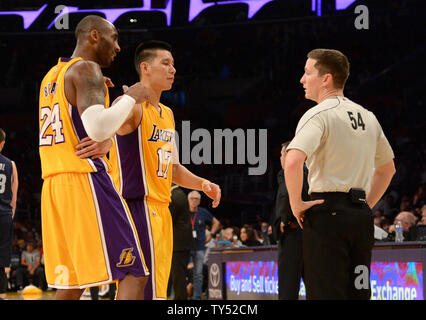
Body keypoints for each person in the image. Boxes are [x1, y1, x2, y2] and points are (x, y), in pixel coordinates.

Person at [39, 15, 152, 300]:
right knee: (133, 272)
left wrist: (101, 94)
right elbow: (98, 127)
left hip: (54, 185)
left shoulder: (52, 76)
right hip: (85, 181)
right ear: (93, 36)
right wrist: (132, 97)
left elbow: (87, 128)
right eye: (113, 38)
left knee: (72, 284)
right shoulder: (87, 69)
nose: (118, 47)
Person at [105, 41, 221, 300]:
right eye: (165, 63)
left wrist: (202, 183)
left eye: (173, 64)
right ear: (145, 67)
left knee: (150, 291)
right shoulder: (131, 105)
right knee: (143, 291)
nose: (173, 69)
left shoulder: (167, 114)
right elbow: (103, 128)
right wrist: (121, 103)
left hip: (160, 208)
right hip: (136, 206)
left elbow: (173, 168)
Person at [285, 49, 396, 300]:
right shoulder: (368, 117)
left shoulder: (318, 114)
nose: (302, 79)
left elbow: (292, 161)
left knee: (326, 293)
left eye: (307, 72)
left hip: (327, 215)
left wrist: (296, 204)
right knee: (358, 293)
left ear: (326, 79)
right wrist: (365, 205)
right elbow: (388, 169)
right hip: (361, 218)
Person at [272, 141, 308, 300]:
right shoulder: (311, 171)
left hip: (292, 233)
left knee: (288, 288)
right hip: (311, 234)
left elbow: (286, 194)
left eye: (282, 154)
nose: (280, 157)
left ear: (289, 155)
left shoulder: (287, 171)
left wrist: (284, 219)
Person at [187, 190, 220, 300]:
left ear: (199, 201)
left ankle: (196, 297)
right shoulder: (184, 212)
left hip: (199, 247)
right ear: (188, 200)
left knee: (199, 274)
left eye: (196, 199)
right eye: (192, 199)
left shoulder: (202, 212)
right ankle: (179, 295)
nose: (194, 201)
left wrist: (211, 234)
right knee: (180, 273)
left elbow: (216, 222)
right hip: (185, 247)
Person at [0, 128, 18, 299]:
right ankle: (2, 295)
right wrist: (10, 213)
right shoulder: (11, 164)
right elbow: (14, 192)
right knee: (3, 259)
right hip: (4, 214)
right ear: (2, 144)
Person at [169, 184, 192, 300]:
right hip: (182, 242)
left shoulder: (175, 196)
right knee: (178, 275)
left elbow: (168, 218)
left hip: (178, 243)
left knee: (178, 275)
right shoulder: (180, 194)